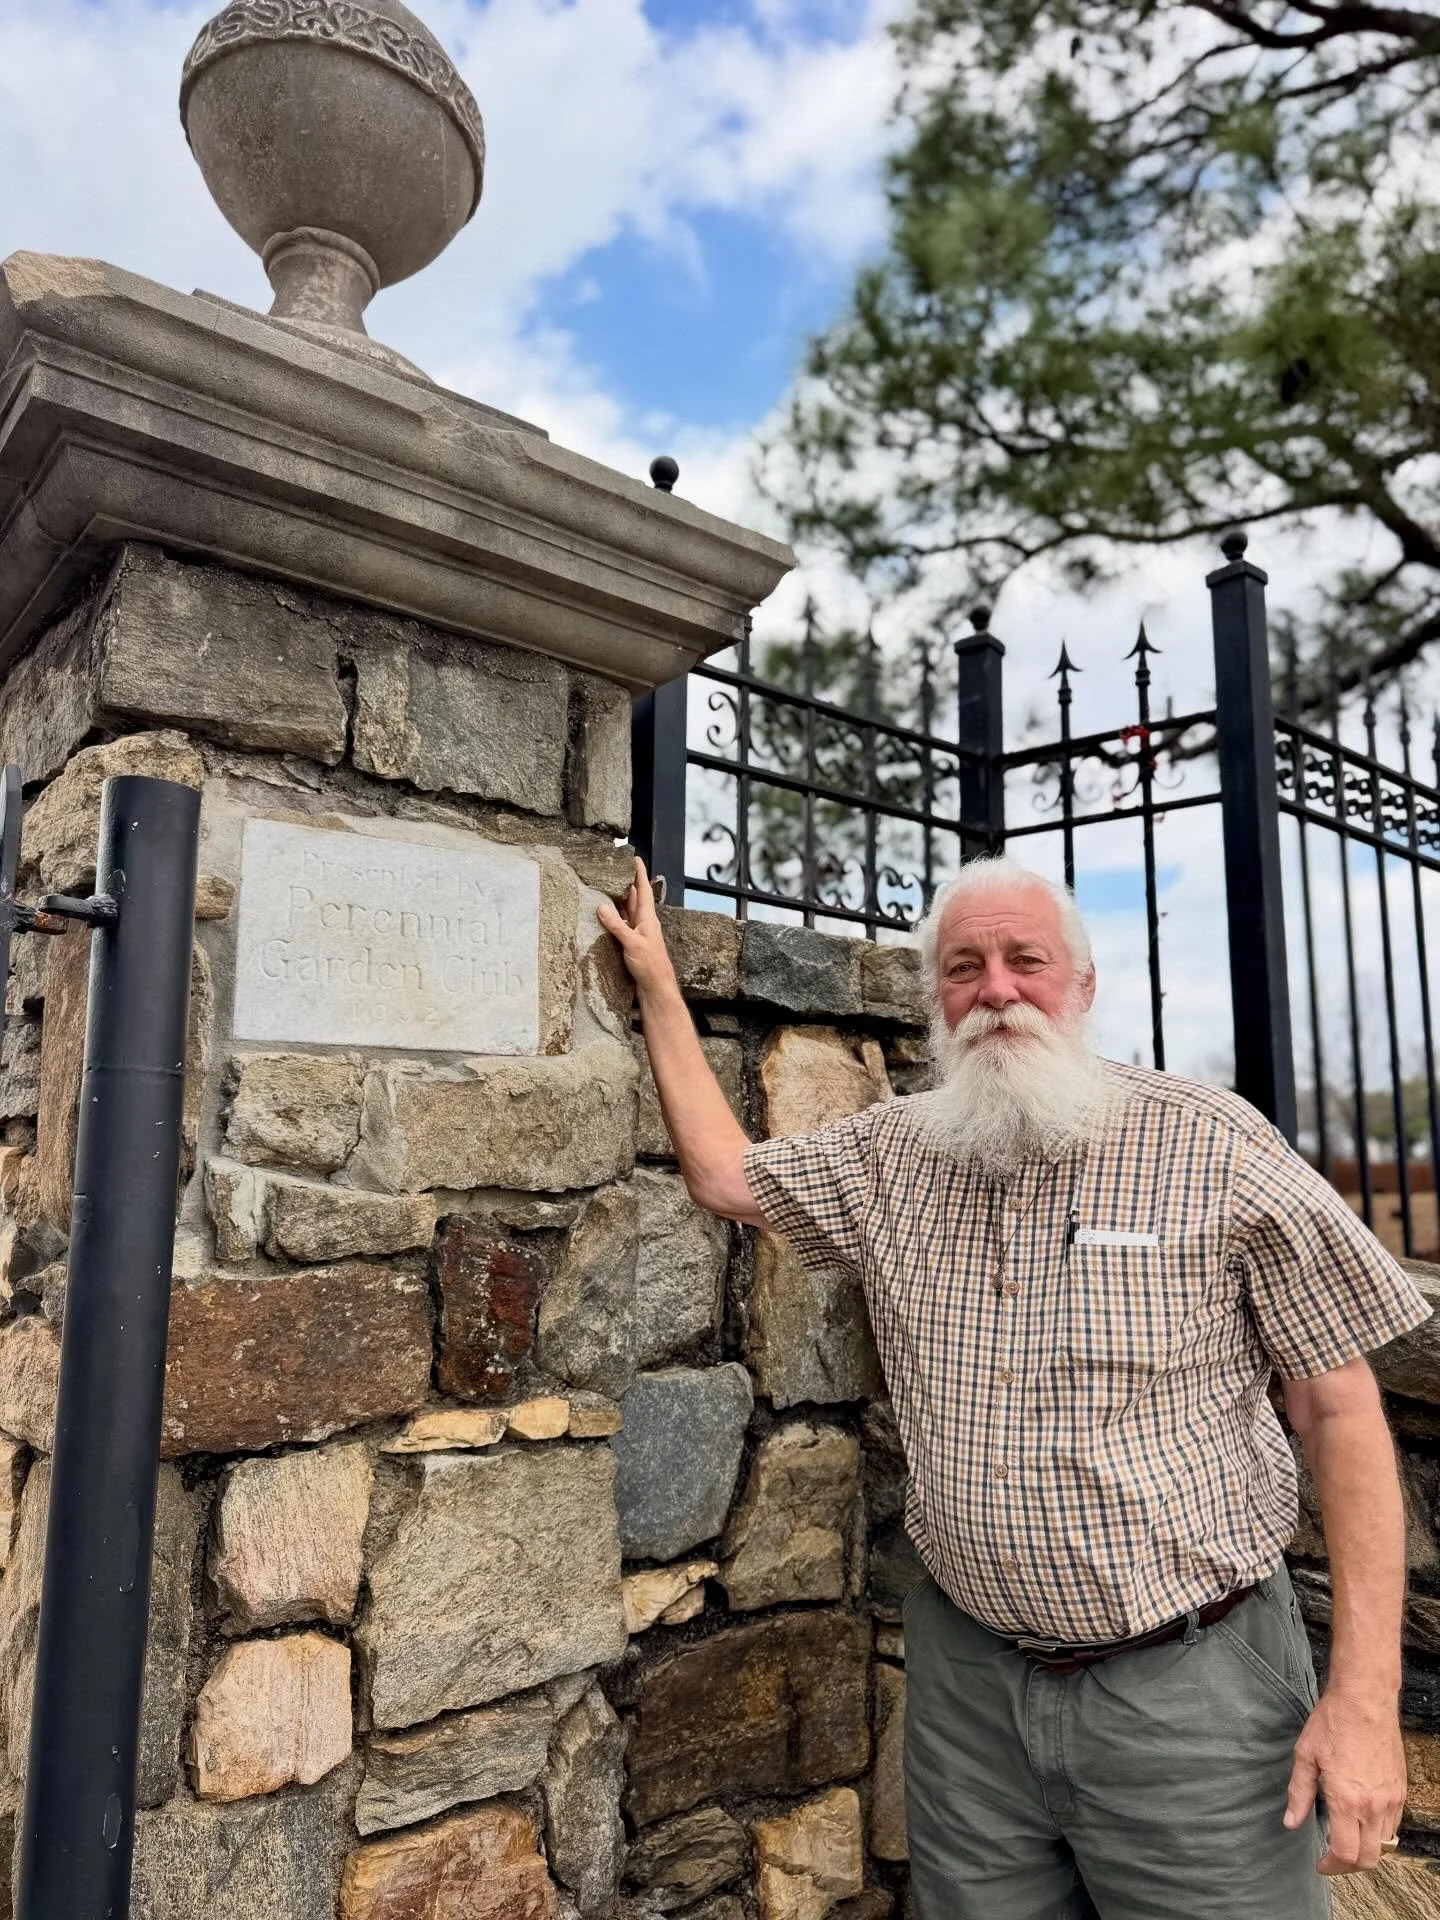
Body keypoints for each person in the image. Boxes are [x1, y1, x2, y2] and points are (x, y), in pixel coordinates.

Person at [598, 852, 1431, 1919]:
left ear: (1081, 987)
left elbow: (1339, 1406)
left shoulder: (1211, 1144)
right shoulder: (888, 1157)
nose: (995, 990)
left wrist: (1364, 1700)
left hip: (1194, 1695)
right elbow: (724, 1176)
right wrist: (662, 989)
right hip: (972, 1692)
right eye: (963, 967)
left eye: (1025, 962)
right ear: (936, 1000)